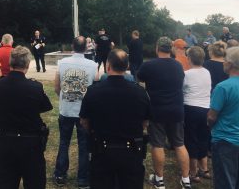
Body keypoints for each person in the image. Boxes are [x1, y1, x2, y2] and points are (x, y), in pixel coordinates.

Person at [80, 49, 150, 189]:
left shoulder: (93, 91)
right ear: (127, 67)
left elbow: (84, 121)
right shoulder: (140, 93)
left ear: (108, 66)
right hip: (131, 153)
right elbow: (145, 122)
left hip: (102, 152)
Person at [0, 46, 53, 189]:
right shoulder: (35, 87)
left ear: (10, 63)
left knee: (6, 183)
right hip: (30, 144)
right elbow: (46, 106)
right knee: (34, 183)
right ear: (27, 64)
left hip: (6, 142)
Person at [137, 37, 191, 189]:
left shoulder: (149, 65)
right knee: (180, 144)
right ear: (171, 49)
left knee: (158, 144)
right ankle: (186, 180)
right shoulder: (178, 66)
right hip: (177, 109)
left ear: (157, 48)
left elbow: (139, 79)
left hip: (157, 110)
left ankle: (159, 180)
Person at [53, 36, 98, 188]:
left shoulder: (62, 63)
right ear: (86, 47)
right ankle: (83, 179)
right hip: (84, 112)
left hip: (66, 110)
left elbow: (56, 87)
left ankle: (60, 174)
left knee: (64, 142)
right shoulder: (93, 65)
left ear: (72, 46)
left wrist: (64, 98)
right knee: (84, 145)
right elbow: (94, 89)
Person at [207, 47, 239, 189]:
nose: (223, 63)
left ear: (231, 64)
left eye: (225, 60)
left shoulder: (222, 87)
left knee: (225, 182)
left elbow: (212, 116)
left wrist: (210, 126)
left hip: (224, 140)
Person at [182, 46, 212, 183]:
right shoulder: (207, 72)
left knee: (191, 139)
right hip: (206, 108)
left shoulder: (187, 74)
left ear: (189, 59)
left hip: (191, 109)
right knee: (203, 137)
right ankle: (204, 169)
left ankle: (193, 173)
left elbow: (181, 90)